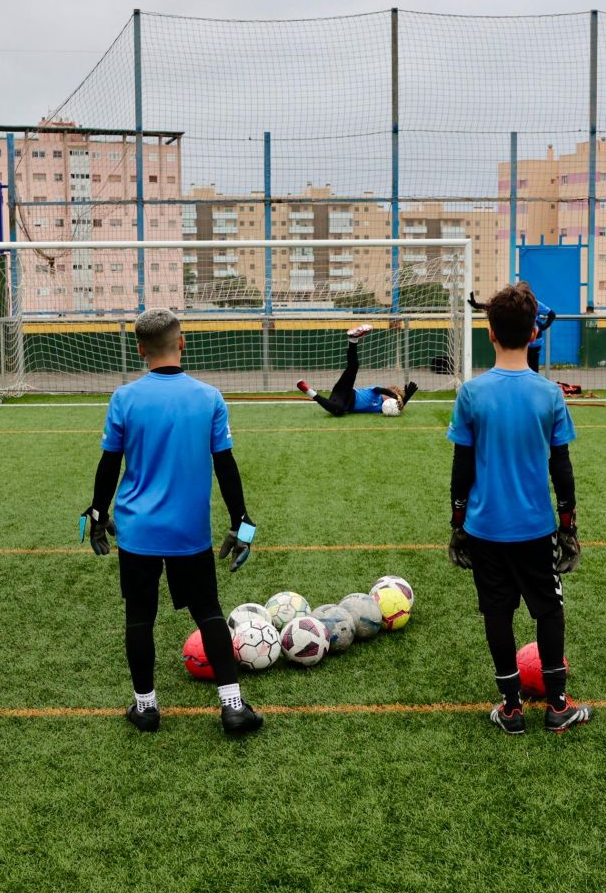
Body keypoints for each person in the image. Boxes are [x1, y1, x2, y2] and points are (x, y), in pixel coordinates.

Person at [84, 308, 264, 736]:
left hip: (138, 531)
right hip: (189, 531)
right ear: (182, 342)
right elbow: (226, 466)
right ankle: (233, 707)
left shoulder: (124, 398)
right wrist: (242, 523)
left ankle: (146, 708)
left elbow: (109, 464)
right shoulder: (209, 397)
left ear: (140, 349)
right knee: (208, 611)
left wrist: (97, 514)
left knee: (139, 615)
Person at [446, 283, 589, 734]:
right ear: (533, 333)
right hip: (535, 528)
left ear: (489, 332)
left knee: (497, 613)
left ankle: (511, 709)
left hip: (484, 528)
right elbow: (561, 468)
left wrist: (457, 523)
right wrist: (567, 526)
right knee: (548, 610)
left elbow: (462, 468)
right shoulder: (549, 394)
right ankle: (558, 706)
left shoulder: (471, 393)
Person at [296, 323, 417, 417]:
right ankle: (353, 339)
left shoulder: (381, 408)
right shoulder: (377, 391)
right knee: (354, 366)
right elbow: (381, 390)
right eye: (390, 395)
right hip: (346, 390)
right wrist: (395, 395)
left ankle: (308, 390)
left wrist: (405, 399)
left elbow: (398, 408)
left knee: (339, 411)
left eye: (392, 399)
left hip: (342, 402)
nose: (389, 399)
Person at [468, 292, 556, 373]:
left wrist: (543, 326)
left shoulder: (534, 304)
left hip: (530, 344)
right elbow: (496, 307)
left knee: (530, 367)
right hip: (525, 342)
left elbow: (552, 314)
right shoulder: (513, 305)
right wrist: (478, 305)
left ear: (491, 334)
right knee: (530, 369)